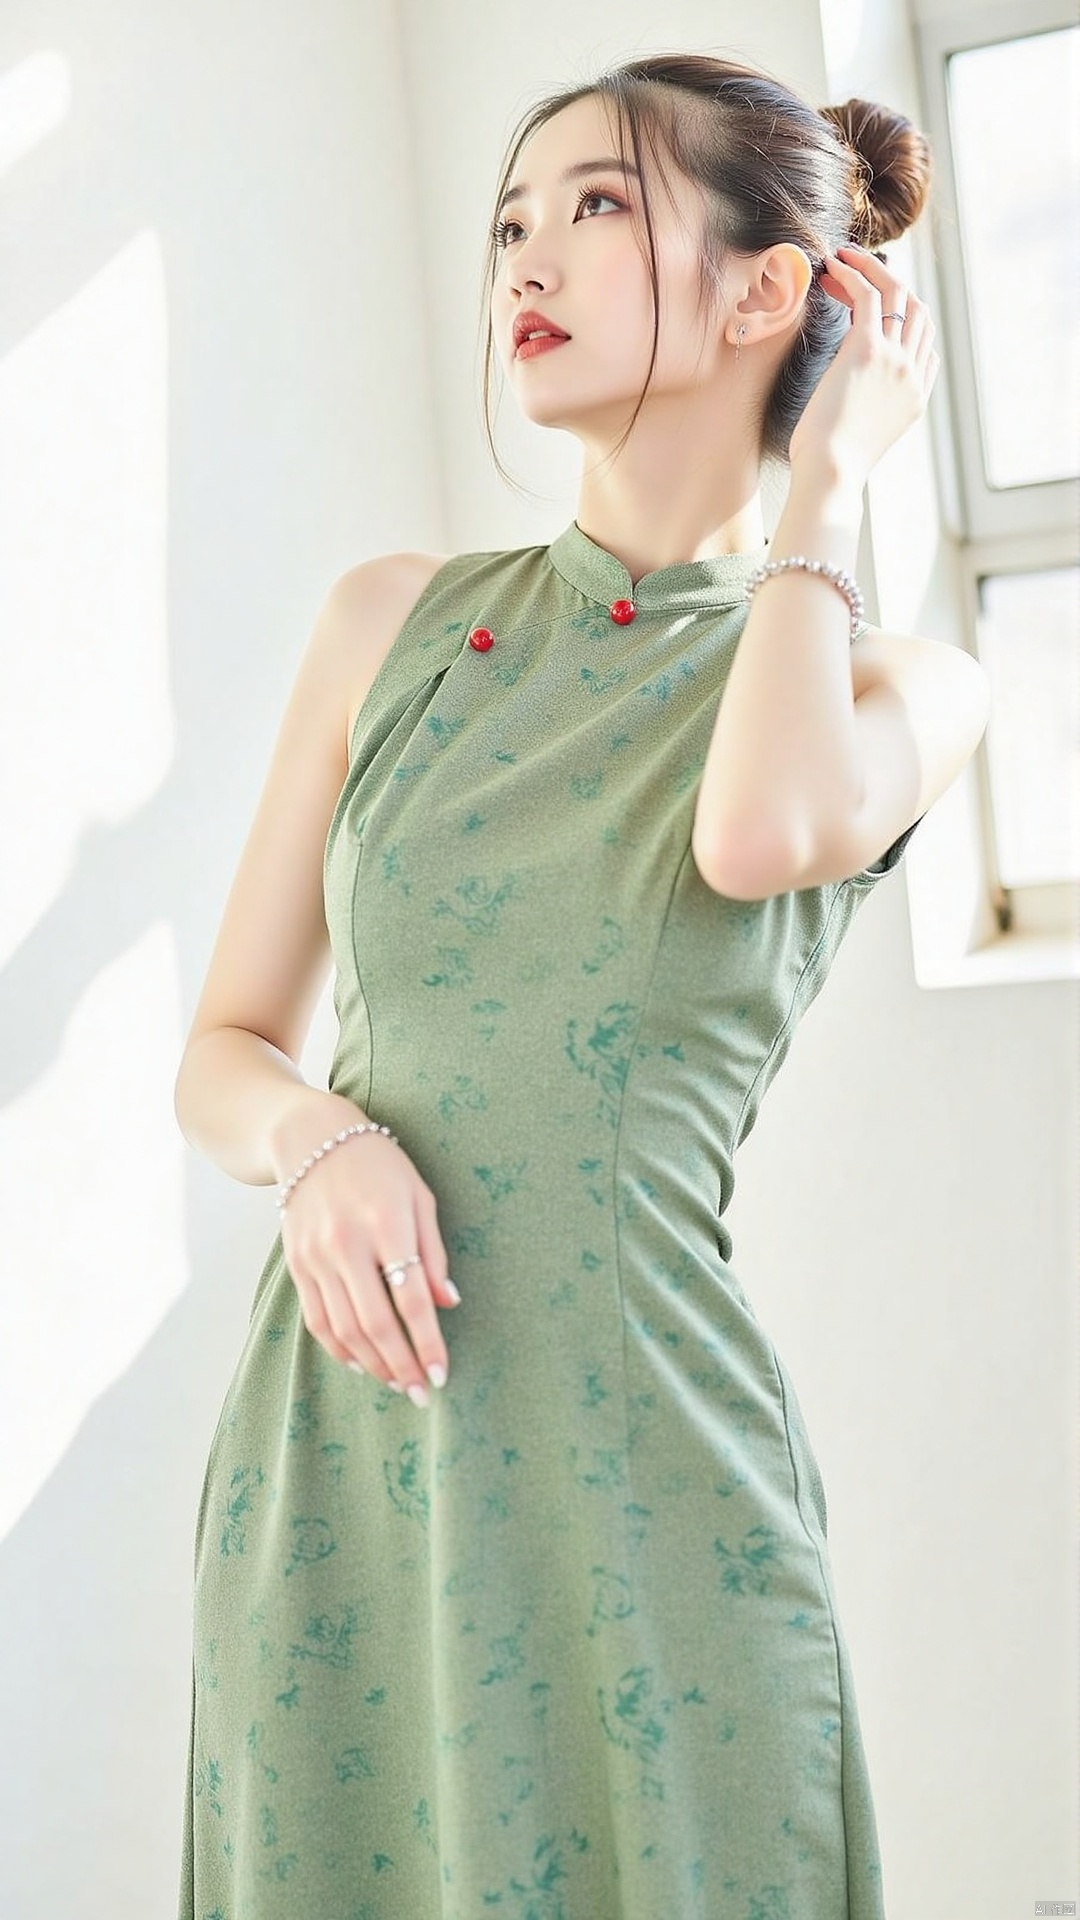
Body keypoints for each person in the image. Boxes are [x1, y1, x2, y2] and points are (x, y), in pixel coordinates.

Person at [174, 51, 989, 1920]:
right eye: (509, 221)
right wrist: (314, 1143)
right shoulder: (394, 624)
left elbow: (758, 835)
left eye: (599, 208)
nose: (526, 258)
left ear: (772, 289)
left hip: (644, 1477)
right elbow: (219, 1050)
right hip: (347, 1455)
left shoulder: (906, 687)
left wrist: (828, 486)